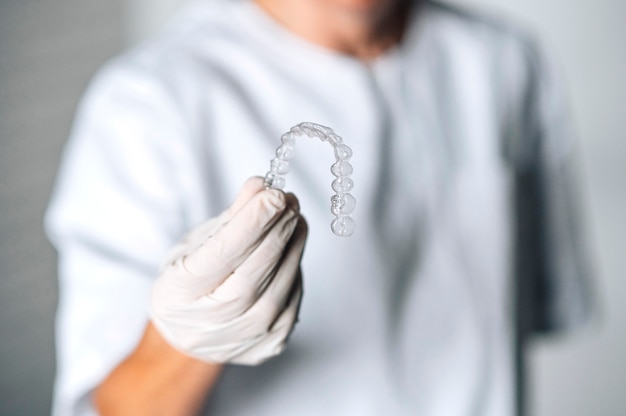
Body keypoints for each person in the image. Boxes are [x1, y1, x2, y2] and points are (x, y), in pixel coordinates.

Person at [45, 0, 594, 414]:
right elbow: (111, 406)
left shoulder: (504, 63)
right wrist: (186, 340)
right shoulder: (147, 103)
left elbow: (531, 311)